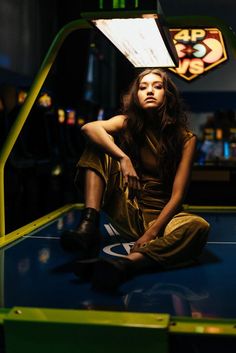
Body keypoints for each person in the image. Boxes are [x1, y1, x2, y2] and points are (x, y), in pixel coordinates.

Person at [60, 68, 210, 291]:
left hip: (162, 218)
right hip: (128, 206)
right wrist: (122, 157)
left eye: (157, 86)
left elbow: (178, 196)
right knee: (98, 143)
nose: (149, 91)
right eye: (143, 87)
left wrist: (151, 233)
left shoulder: (185, 138)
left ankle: (125, 265)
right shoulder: (127, 122)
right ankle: (88, 226)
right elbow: (89, 128)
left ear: (167, 95)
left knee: (198, 226)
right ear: (136, 95)